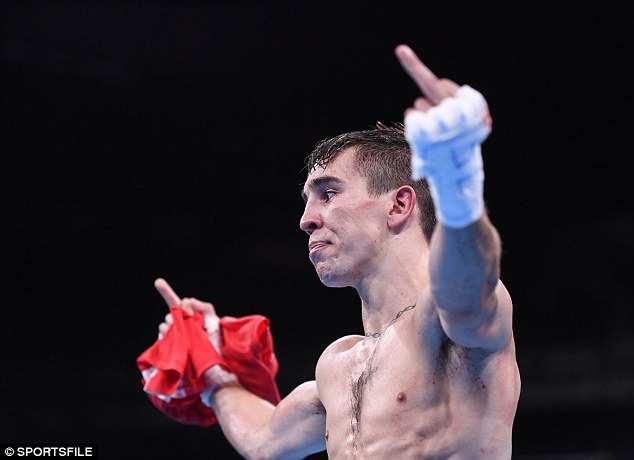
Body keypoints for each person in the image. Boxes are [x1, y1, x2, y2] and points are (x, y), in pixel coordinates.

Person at [153, 44, 521, 459]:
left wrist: (459, 179)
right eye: (307, 202)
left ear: (399, 205)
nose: (306, 219)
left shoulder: (448, 322)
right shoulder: (337, 365)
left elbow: (468, 282)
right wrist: (211, 364)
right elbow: (264, 440)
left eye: (328, 193)